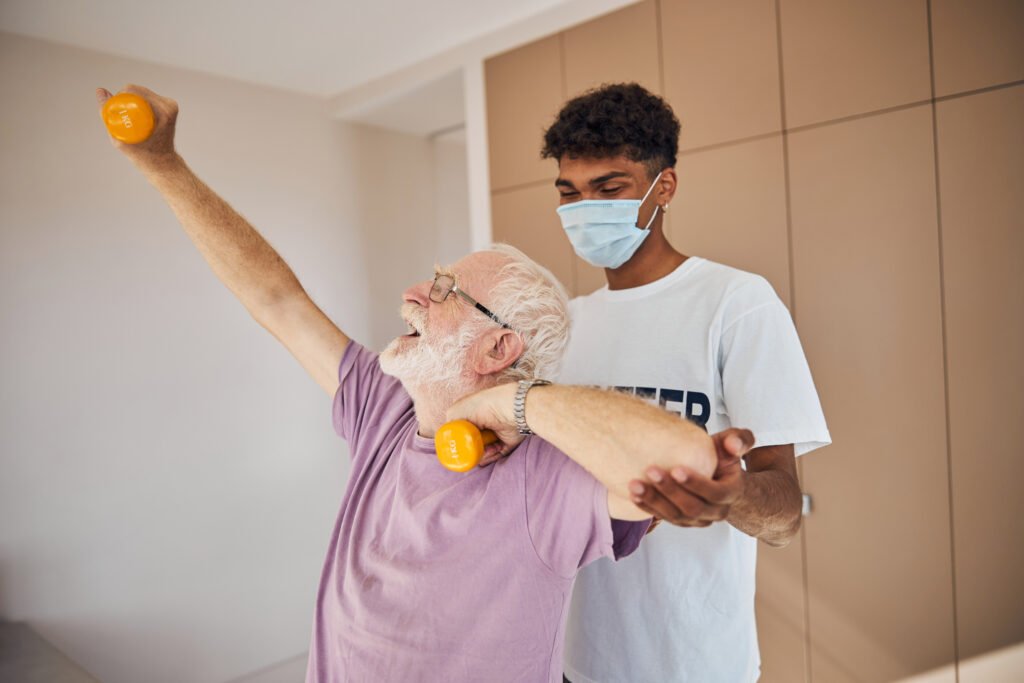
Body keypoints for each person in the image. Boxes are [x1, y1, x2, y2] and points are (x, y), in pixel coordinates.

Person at [95, 85, 755, 683]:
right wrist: (161, 164)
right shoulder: (382, 406)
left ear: (499, 346)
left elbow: (689, 461)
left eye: (444, 289)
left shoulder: (545, 475)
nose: (413, 293)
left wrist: (505, 401)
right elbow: (276, 299)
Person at [542, 83, 832, 682]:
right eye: (569, 193)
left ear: (663, 187)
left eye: (609, 188)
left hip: (698, 663)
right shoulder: (564, 324)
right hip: (577, 660)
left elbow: (784, 512)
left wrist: (731, 499)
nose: (583, 209)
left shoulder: (736, 303)